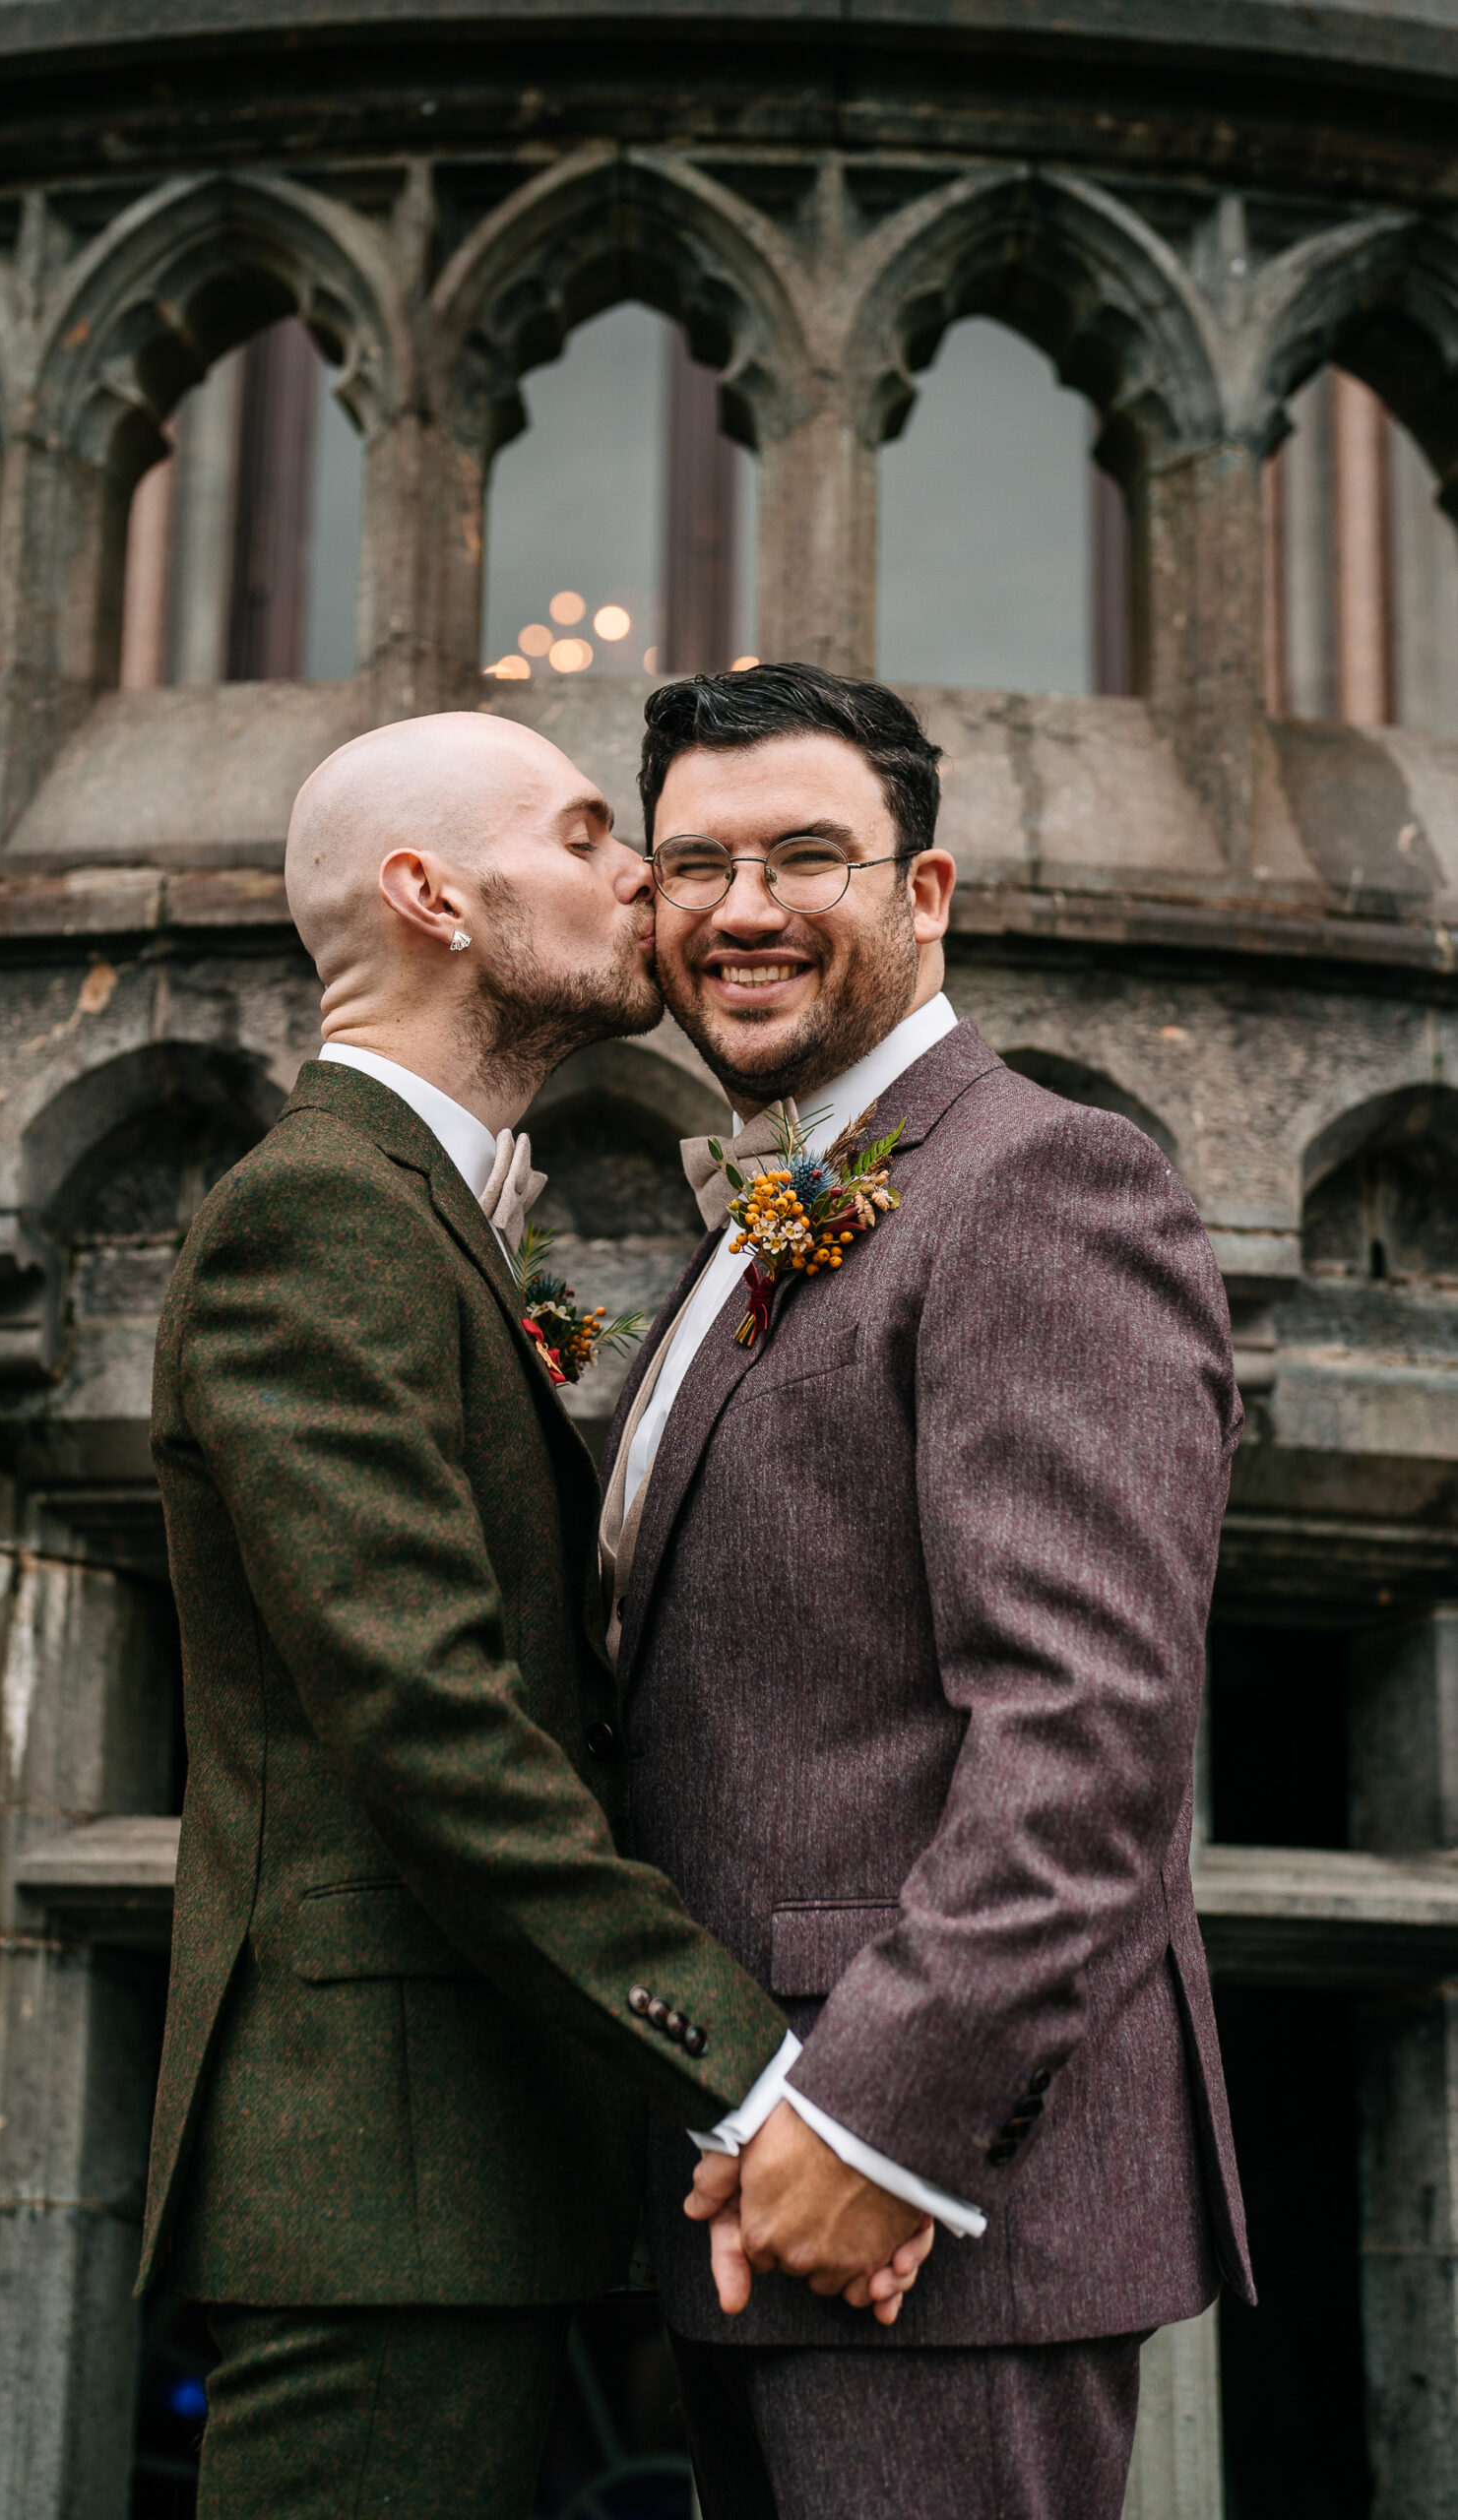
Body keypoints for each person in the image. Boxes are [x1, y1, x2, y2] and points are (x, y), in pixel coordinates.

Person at [136, 710, 926, 2520]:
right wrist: (769, 2095)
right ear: (429, 895)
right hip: (375, 2180)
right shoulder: (316, 1222)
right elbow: (437, 1727)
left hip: (473, 2159)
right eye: (584, 837)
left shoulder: (422, 1219)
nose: (643, 874)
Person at [599, 662, 1254, 2520]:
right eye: (695, 865)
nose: (744, 910)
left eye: (809, 855)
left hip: (939, 2201)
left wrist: (875, 2122)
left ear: (925, 894)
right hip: (749, 2184)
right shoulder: (757, 1222)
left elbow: (1091, 1739)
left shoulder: (1042, 1185)